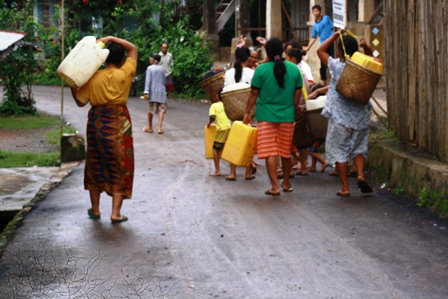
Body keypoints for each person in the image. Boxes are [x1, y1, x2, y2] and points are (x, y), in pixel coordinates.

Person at [70, 36, 137, 223]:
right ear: (122, 59)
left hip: (97, 124)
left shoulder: (93, 77)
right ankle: (115, 213)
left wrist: (73, 86)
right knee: (120, 164)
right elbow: (133, 48)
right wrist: (112, 38)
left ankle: (96, 209)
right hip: (120, 123)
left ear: (104, 58)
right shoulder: (126, 73)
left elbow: (80, 102)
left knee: (95, 163)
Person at [317, 29, 374, 197]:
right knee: (359, 149)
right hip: (360, 116)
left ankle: (345, 188)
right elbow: (372, 60)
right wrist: (367, 47)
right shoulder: (362, 66)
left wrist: (335, 35)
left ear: (339, 50)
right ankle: (361, 175)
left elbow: (319, 50)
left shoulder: (337, 66)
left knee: (340, 152)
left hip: (340, 117)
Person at [243, 37, 302, 196]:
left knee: (270, 152)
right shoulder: (294, 69)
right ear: (282, 51)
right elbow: (298, 92)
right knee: (285, 151)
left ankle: (275, 186)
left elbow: (254, 93)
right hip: (287, 115)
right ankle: (287, 183)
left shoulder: (261, 70)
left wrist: (247, 112)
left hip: (266, 116)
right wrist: (293, 107)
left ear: (267, 52)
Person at [224, 46, 255, 181]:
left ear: (236, 58)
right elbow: (254, 92)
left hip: (233, 111)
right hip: (248, 112)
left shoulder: (229, 73)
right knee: (248, 141)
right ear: (248, 58)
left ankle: (232, 172)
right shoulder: (252, 73)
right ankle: (248, 172)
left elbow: (225, 91)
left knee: (234, 141)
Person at [303, 4, 334, 85]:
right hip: (322, 45)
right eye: (314, 11)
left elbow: (333, 28)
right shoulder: (315, 25)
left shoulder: (326, 18)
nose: (315, 13)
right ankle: (323, 81)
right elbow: (313, 37)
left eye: (317, 11)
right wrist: (308, 47)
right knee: (323, 63)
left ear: (320, 11)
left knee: (332, 60)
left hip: (330, 42)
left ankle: (334, 79)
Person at [208, 88, 231, 177]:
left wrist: (209, 124)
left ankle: (217, 170)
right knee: (230, 148)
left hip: (221, 129)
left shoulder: (214, 105)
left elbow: (212, 117)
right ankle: (249, 165)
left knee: (215, 149)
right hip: (229, 127)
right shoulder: (228, 104)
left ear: (217, 96)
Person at [143, 53, 167, 134]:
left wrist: (146, 91)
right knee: (161, 110)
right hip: (162, 91)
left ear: (153, 60)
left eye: (150, 58)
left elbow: (148, 80)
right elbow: (164, 81)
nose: (150, 60)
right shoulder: (162, 69)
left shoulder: (149, 68)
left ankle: (150, 127)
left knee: (151, 109)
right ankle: (159, 128)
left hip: (153, 91)